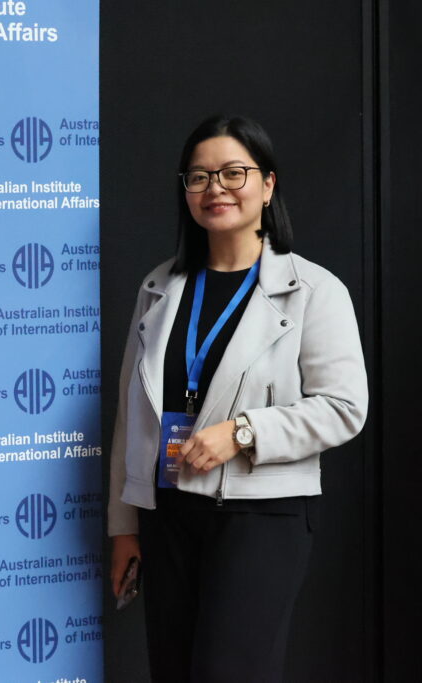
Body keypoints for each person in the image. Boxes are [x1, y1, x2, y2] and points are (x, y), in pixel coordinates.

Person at [107, 114, 368, 682]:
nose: (215, 189)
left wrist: (244, 432)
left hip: (260, 515)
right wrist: (124, 525)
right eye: (199, 177)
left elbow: (345, 407)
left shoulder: (313, 290)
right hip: (167, 513)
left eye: (233, 173)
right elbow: (132, 415)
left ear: (268, 185)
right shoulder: (158, 287)